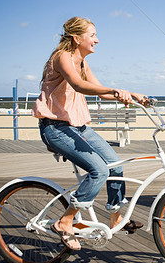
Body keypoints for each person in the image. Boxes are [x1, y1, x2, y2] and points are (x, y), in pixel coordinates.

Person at [32, 16, 150, 250]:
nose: (97, 40)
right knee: (99, 170)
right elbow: (78, 85)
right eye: (92, 35)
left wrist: (131, 94)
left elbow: (100, 92)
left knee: (116, 165)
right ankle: (65, 221)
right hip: (55, 128)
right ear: (77, 38)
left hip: (78, 126)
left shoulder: (83, 62)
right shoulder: (62, 57)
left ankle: (115, 216)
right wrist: (114, 89)